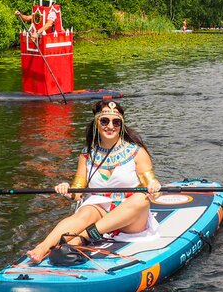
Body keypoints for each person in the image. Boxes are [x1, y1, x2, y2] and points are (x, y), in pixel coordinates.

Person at [26, 100, 161, 263]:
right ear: (96, 122)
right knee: (86, 211)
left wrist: (154, 188)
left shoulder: (137, 153)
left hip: (130, 219)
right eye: (105, 121)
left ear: (121, 125)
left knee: (142, 199)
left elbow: (154, 190)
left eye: (116, 122)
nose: (110, 126)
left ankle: (79, 238)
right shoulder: (86, 155)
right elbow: (77, 193)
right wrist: (67, 190)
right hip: (99, 213)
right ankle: (42, 247)